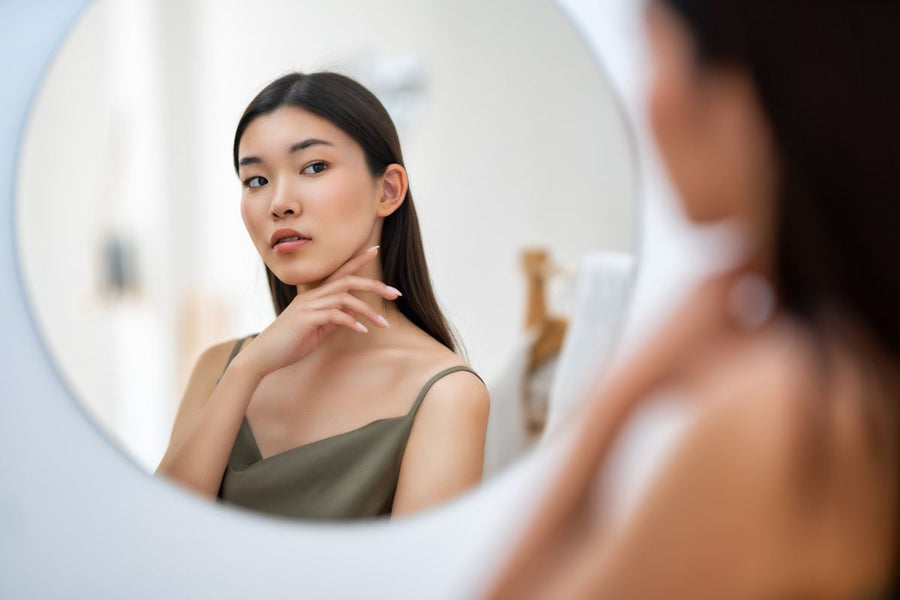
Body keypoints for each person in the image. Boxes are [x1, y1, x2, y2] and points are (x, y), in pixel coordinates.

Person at [486, 0, 900, 597]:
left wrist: (617, 404)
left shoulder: (787, 421)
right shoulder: (851, 381)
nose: (646, 101)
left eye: (656, 49)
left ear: (739, 88)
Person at [155, 72, 490, 521]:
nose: (279, 203)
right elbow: (154, 534)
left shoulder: (446, 394)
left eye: (314, 167)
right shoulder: (220, 368)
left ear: (388, 190)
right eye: (256, 180)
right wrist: (248, 369)